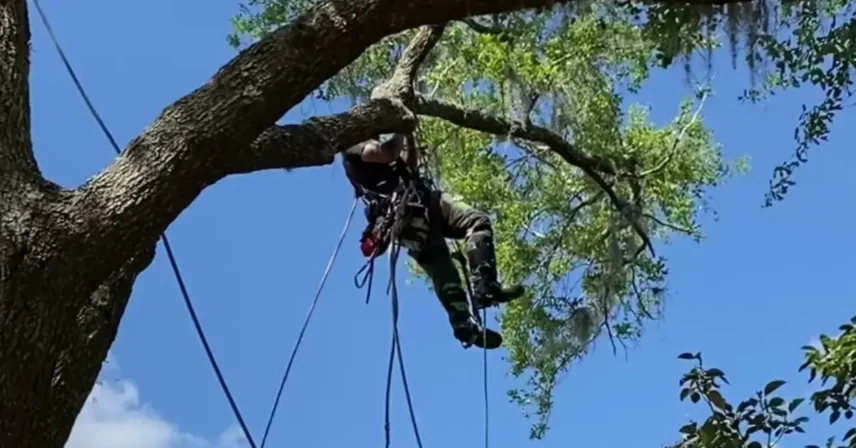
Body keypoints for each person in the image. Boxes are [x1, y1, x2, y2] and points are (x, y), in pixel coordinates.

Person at [342, 134, 525, 349]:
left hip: (419, 208)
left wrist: (409, 138)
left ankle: (475, 304)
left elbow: (408, 165)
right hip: (413, 211)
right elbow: (386, 152)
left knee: (456, 254)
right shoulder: (354, 145)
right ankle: (474, 305)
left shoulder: (379, 157)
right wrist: (401, 129)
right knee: (462, 243)